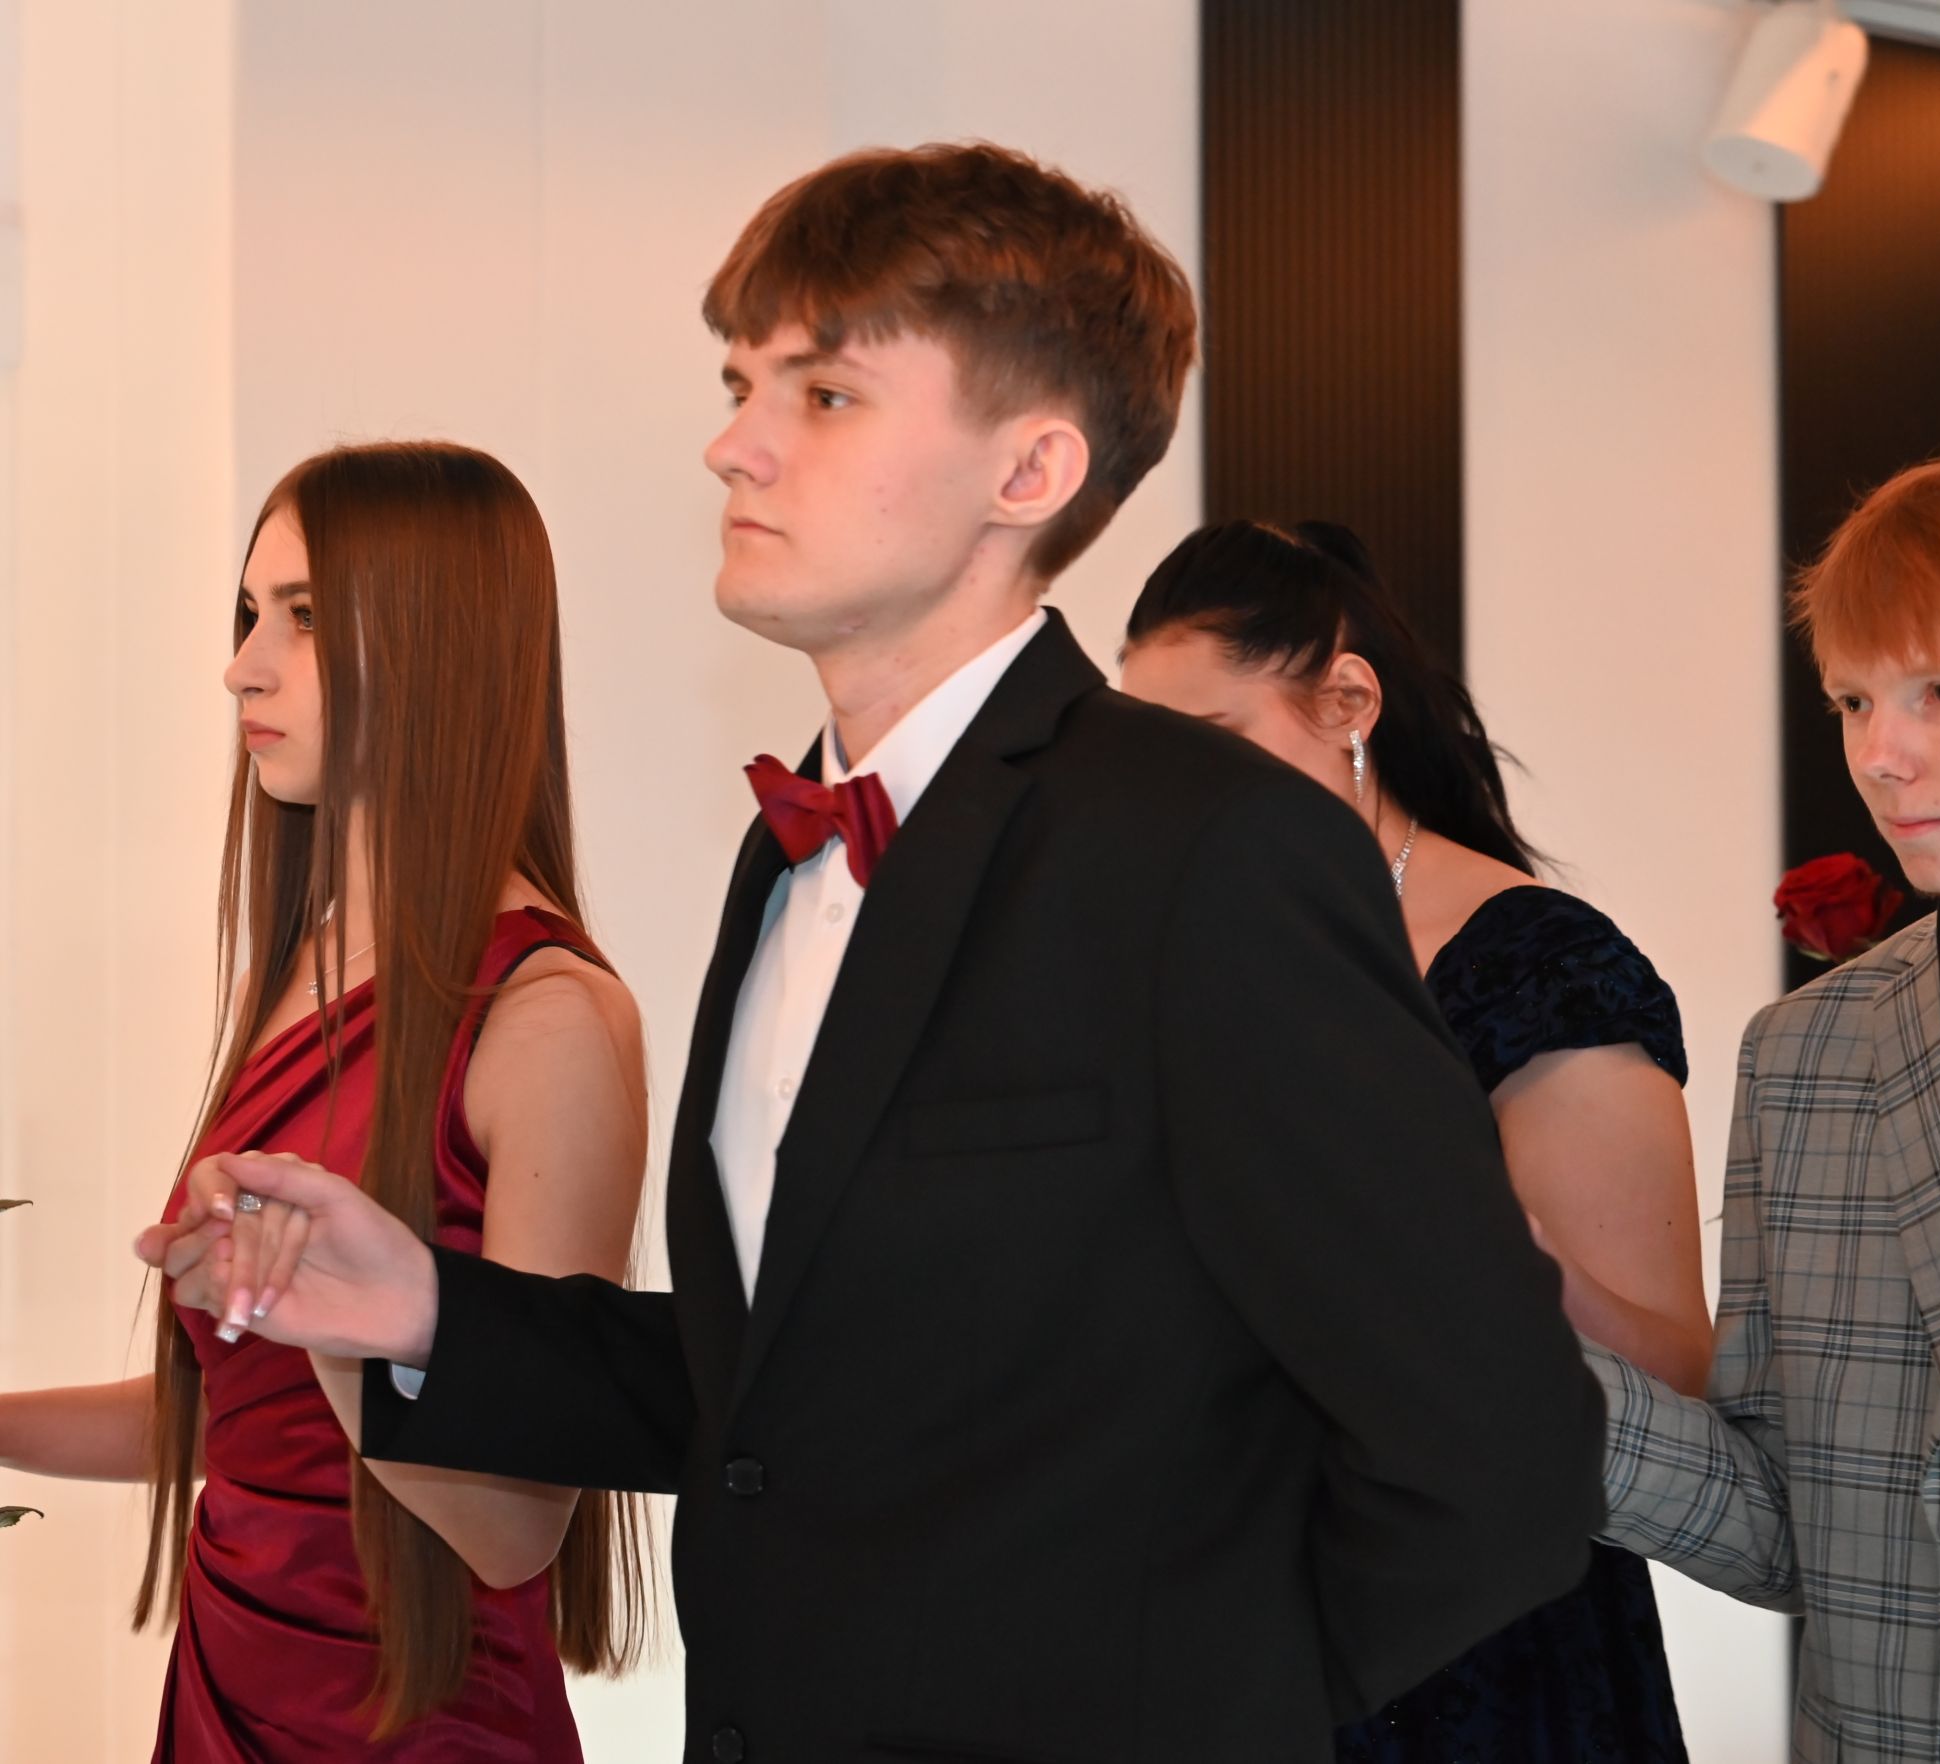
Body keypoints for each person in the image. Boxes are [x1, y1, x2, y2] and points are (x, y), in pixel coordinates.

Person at [149, 144, 1604, 1763]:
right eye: (740, 383)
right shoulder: (784, 861)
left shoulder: (1211, 845)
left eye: (825, 394)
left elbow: (1499, 1448)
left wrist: (1187, 1701)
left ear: (1030, 468)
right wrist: (423, 1304)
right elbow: (770, 1386)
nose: (734, 442)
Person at [22, 441, 653, 1760]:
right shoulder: (306, 968)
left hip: (417, 1727)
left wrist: (337, 1327)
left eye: (304, 618)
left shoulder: (547, 1019)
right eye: (249, 614)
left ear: (440, 643)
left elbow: (516, 1529)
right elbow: (247, 1422)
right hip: (227, 1690)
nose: (242, 667)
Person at [1120, 517, 1711, 1762]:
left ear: (1347, 704)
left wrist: (1512, 1264)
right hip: (1213, 1617)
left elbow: (1672, 1369)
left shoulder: (1538, 964)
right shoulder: (1161, 959)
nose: (1172, 800)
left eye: (1212, 744)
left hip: (1477, 1637)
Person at [1558, 455, 1940, 1764]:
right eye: (1851, 701)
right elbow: (1782, 1528)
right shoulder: (1805, 1056)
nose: (1878, 755)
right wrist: (1511, 1355)